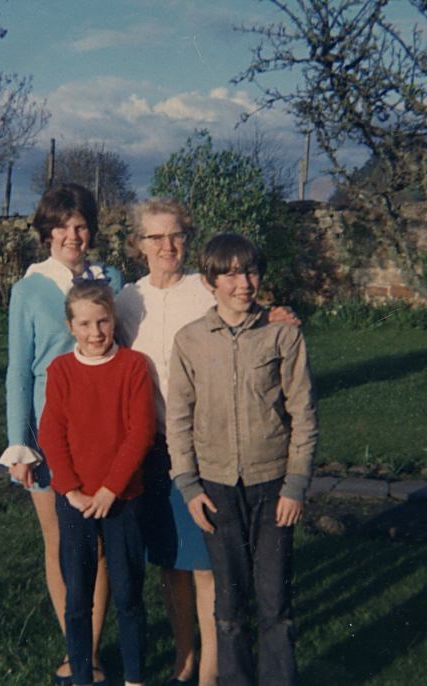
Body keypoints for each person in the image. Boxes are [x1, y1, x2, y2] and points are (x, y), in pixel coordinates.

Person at [115, 200, 300, 686]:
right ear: (139, 245)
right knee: (170, 562)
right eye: (155, 238)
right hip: (152, 445)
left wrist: (279, 314)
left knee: (207, 564)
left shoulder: (206, 289)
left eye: (174, 235)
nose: (166, 246)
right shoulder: (126, 302)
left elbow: (252, 316)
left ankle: (214, 671)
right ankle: (185, 659)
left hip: (210, 449)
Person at [167, 233, 318, 686]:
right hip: (215, 490)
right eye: (230, 273)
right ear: (211, 280)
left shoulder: (281, 334)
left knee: (274, 603)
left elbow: (303, 412)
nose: (243, 283)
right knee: (229, 607)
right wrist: (189, 488)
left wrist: (295, 485)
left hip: (272, 487)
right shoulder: (190, 340)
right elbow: (178, 419)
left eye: (250, 271)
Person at [0, 183, 123, 686]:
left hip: (108, 432)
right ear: (46, 232)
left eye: (81, 225)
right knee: (60, 543)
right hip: (52, 436)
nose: (73, 235)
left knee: (101, 547)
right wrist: (18, 444)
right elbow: (19, 371)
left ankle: (88, 652)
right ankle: (77, 653)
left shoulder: (112, 279)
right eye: (62, 226)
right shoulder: (28, 290)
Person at [39, 281, 156, 686]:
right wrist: (71, 490)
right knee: (77, 599)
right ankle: (82, 674)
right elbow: (51, 432)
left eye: (102, 321)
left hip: (121, 498)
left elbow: (140, 432)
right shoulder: (61, 371)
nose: (95, 333)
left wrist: (110, 490)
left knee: (127, 594)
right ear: (71, 326)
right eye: (85, 324)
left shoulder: (133, 366)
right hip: (75, 501)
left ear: (114, 320)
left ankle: (135, 677)